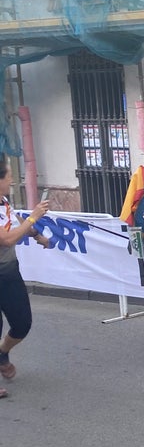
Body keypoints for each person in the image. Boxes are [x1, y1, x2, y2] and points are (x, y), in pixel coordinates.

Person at [0, 159, 51, 396]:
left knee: (22, 323)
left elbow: (14, 222)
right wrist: (34, 216)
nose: (12, 180)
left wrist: (35, 233)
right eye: (9, 176)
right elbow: (7, 239)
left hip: (9, 272)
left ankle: (3, 352)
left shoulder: (3, 200)